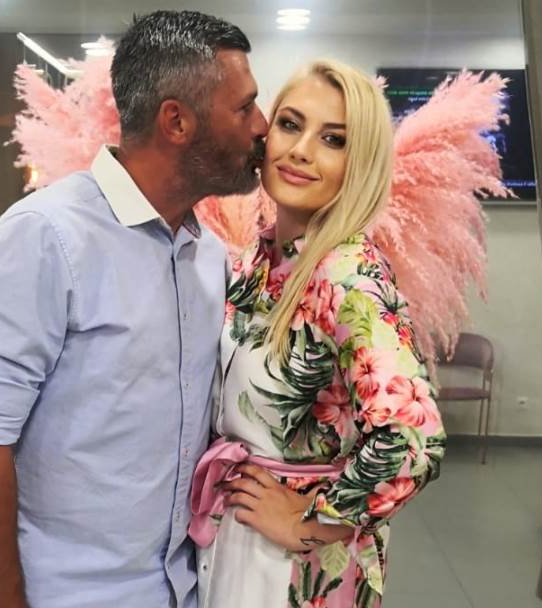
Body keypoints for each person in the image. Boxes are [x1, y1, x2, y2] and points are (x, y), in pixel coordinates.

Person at [0, 10, 268, 608]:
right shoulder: (46, 238)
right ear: (177, 121)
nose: (261, 125)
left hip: (182, 588)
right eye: (244, 107)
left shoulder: (207, 255)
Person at [190, 60, 447, 608]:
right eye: (290, 124)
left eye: (333, 139)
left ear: (361, 163)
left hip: (294, 561)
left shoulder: (349, 276)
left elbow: (412, 438)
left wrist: (313, 522)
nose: (301, 150)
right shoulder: (257, 262)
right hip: (236, 531)